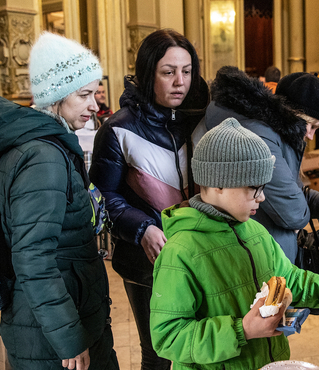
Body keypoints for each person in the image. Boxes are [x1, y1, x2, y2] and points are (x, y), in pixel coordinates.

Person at [150, 118, 319, 369]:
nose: (262, 197)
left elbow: (291, 279)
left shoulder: (255, 231)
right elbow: (167, 336)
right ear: (218, 183)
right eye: (254, 188)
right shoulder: (180, 253)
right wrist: (241, 330)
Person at [0, 32, 117, 369]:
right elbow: (33, 258)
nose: (95, 105)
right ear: (56, 97)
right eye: (85, 94)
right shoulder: (43, 157)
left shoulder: (45, 145)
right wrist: (69, 340)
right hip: (50, 336)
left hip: (52, 318)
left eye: (95, 93)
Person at [89, 28, 209, 370]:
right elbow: (102, 198)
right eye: (168, 72)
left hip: (199, 255)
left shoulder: (201, 121)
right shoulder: (118, 129)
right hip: (147, 261)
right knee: (158, 352)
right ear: (147, 73)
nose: (179, 82)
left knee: (203, 343)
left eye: (186, 72)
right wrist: (142, 228)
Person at [196, 67, 319, 263]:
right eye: (311, 125)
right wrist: (303, 214)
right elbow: (293, 212)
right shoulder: (263, 135)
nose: (310, 135)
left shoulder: (276, 130)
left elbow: (295, 193)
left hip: (265, 249)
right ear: (292, 113)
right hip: (259, 256)